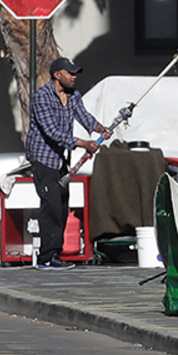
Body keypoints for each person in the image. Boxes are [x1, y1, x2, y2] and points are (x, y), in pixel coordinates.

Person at [26, 56, 109, 269]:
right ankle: (46, 257)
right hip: (43, 158)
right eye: (70, 73)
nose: (74, 77)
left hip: (60, 159)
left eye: (75, 74)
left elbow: (84, 116)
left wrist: (101, 129)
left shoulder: (73, 96)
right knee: (51, 205)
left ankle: (55, 253)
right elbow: (52, 132)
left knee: (62, 205)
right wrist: (84, 143)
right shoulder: (42, 97)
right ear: (57, 75)